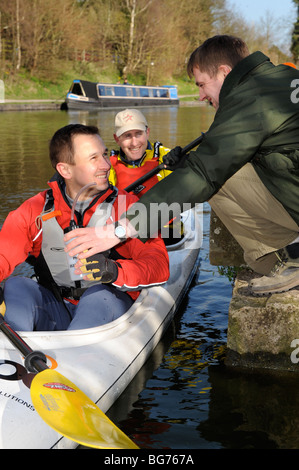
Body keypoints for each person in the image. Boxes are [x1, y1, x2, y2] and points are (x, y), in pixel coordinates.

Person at [64, 35, 299, 296]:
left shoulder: (252, 97)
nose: (199, 96)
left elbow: (204, 174)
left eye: (202, 85)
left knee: (218, 181)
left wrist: (119, 230)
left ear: (224, 72)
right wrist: (190, 163)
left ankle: (286, 260)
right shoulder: (281, 78)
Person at [0, 124, 169, 331]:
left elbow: (159, 265)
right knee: (16, 286)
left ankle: (75, 355)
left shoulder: (129, 207)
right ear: (65, 169)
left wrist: (114, 271)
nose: (106, 165)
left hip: (108, 307)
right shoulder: (34, 209)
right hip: (56, 306)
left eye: (104, 155)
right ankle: (13, 355)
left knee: (98, 296)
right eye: (93, 158)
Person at [109, 108, 172, 197]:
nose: (134, 143)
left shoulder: (167, 157)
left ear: (147, 133)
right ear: (117, 139)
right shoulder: (108, 167)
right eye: (127, 135)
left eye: (138, 134)